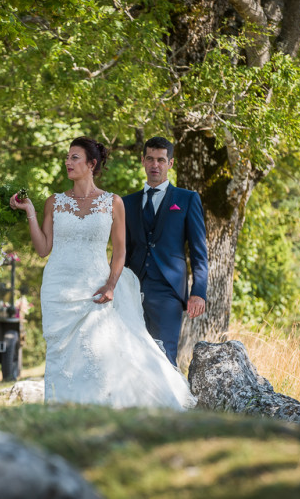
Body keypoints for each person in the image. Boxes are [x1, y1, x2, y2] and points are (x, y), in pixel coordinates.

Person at [10, 136, 195, 409]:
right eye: (67, 157)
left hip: (95, 286)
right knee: (61, 352)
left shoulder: (112, 202)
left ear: (91, 164)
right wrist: (30, 212)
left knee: (96, 350)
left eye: (75, 157)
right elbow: (42, 249)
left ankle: (100, 407)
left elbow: (120, 252)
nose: (68, 162)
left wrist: (111, 284)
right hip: (57, 287)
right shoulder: (54, 202)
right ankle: (60, 410)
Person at [122, 136, 208, 368]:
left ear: (170, 163)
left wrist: (198, 291)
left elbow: (199, 251)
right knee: (131, 352)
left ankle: (168, 403)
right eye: (150, 159)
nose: (155, 165)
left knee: (164, 352)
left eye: (161, 160)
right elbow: (122, 250)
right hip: (131, 287)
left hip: (168, 290)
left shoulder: (187, 199)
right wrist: (114, 284)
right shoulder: (126, 203)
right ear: (142, 161)